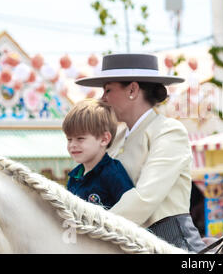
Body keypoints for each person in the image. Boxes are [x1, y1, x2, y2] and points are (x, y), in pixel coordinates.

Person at [75, 54, 206, 252]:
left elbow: (145, 197)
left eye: (108, 89)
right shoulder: (116, 137)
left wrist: (92, 228)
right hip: (123, 242)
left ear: (133, 90)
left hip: (170, 243)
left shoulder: (168, 130)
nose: (103, 98)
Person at [64, 99, 134, 209]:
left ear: (104, 139)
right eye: (69, 139)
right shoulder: (74, 177)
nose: (72, 145)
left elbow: (129, 209)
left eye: (80, 138)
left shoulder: (113, 174)